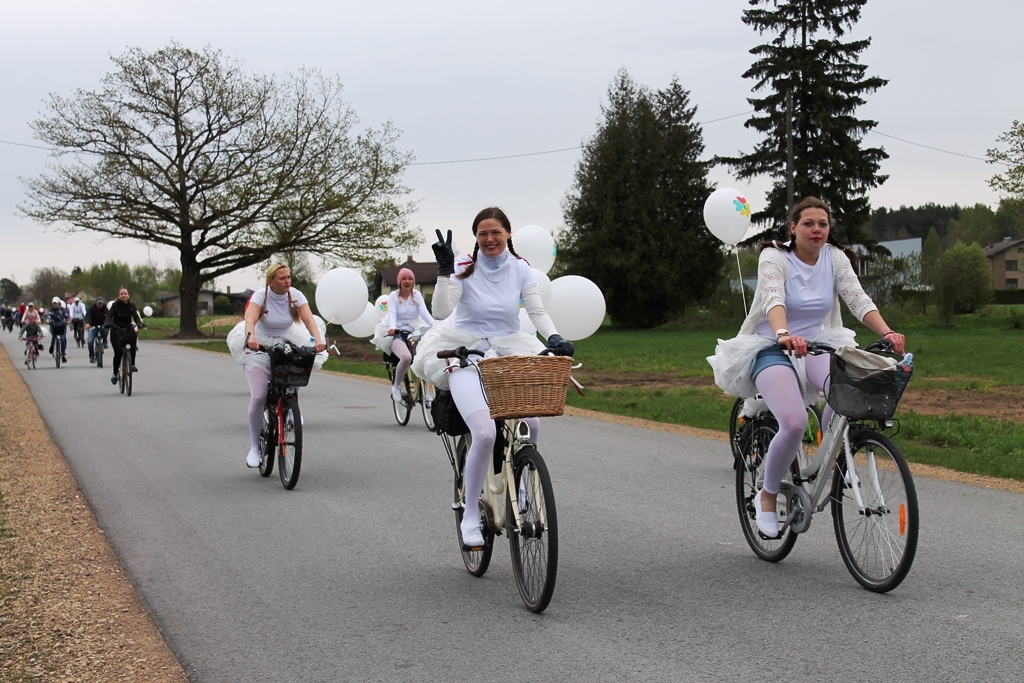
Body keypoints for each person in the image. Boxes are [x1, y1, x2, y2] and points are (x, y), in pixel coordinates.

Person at [708, 197, 906, 539]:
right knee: (796, 421)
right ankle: (768, 496)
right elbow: (773, 298)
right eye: (809, 224)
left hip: (818, 343)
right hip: (772, 346)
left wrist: (887, 331)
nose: (816, 230)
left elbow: (858, 299)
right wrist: (783, 333)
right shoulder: (775, 256)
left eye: (823, 224)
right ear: (793, 228)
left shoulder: (836, 258)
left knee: (846, 394)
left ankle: (829, 464)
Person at [412, 207, 575, 549]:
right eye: (483, 233)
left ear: (508, 234)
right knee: (485, 433)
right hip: (464, 351)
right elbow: (442, 312)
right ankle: (471, 514)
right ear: (476, 237)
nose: (490, 239)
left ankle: (519, 485)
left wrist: (554, 337)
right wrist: (444, 272)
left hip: (508, 348)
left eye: (496, 232)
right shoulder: (462, 268)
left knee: (532, 422)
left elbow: (536, 311)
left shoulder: (520, 269)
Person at [228, 263, 327, 468]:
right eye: (282, 278)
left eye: (288, 277)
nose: (287, 281)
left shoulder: (296, 295)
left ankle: (292, 406)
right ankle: (255, 447)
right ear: (270, 281)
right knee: (259, 395)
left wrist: (317, 339)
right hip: (262, 340)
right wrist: (251, 338)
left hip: (288, 337)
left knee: (299, 368)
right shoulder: (260, 297)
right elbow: (250, 320)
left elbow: (309, 320)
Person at [372, 267, 436, 405]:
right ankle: (396, 386)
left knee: (425, 357)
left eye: (410, 278)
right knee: (406, 357)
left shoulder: (416, 295)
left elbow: (424, 313)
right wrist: (392, 328)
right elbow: (392, 314)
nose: (407, 281)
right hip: (398, 332)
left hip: (415, 331)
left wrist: (435, 325)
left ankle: (428, 390)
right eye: (404, 279)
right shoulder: (393, 296)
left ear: (413, 281)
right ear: (399, 281)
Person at [105, 288, 145, 384]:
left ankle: (132, 364)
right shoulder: (115, 306)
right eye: (121, 294)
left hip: (127, 328)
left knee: (132, 345)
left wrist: (139, 323)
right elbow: (109, 316)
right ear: (119, 296)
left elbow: (136, 316)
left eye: (125, 293)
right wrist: (107, 323)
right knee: (118, 352)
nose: (123, 295)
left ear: (128, 295)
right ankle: (115, 374)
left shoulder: (132, 306)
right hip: (116, 330)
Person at [85, 297, 109, 363]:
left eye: (101, 303)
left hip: (102, 325)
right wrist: (87, 323)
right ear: (96, 303)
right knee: (90, 342)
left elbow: (109, 316)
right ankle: (91, 356)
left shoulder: (105, 309)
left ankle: (104, 342)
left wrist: (109, 322)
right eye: (98, 303)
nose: (100, 305)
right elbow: (88, 316)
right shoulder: (91, 309)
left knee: (106, 330)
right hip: (93, 326)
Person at [47, 297, 69, 362]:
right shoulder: (51, 310)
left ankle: (63, 355)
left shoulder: (63, 310)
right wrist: (48, 320)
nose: (55, 305)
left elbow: (67, 317)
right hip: (54, 326)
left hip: (62, 327)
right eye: (54, 303)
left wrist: (68, 321)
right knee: (54, 336)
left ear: (59, 303)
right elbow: (49, 316)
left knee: (62, 339)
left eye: (56, 303)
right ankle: (52, 346)